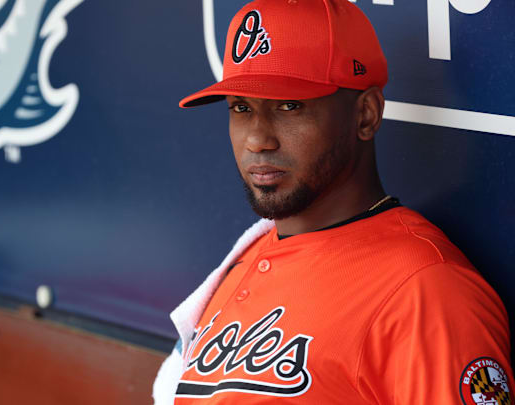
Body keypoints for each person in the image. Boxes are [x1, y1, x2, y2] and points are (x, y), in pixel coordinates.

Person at [152, 0, 513, 404]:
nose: (257, 139)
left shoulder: (424, 290)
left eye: (290, 106)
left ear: (365, 115)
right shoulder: (247, 258)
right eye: (242, 108)